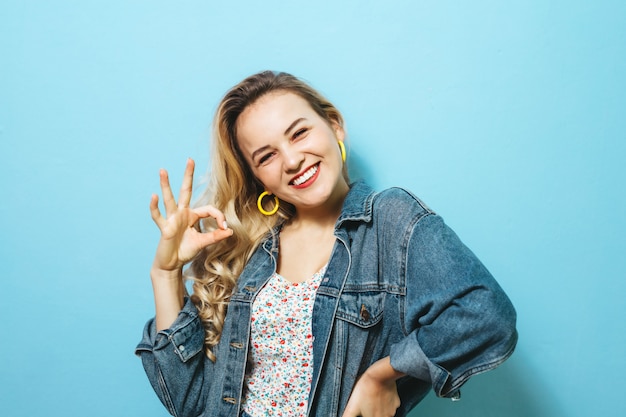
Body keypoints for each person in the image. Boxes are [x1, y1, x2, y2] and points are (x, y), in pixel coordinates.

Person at [135, 70, 517, 417]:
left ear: (335, 126)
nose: (292, 160)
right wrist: (166, 272)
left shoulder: (389, 219)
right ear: (257, 178)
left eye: (299, 133)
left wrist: (381, 375)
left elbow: (486, 316)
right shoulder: (252, 252)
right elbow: (189, 402)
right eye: (266, 156)